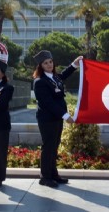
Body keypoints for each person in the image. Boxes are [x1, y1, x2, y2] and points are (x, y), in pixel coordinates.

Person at [32, 50, 83, 188]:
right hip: (47, 119)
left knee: (54, 147)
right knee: (48, 147)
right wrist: (65, 115)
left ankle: (53, 174)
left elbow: (63, 75)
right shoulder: (40, 82)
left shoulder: (54, 77)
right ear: (40, 66)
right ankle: (45, 177)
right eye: (45, 63)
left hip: (56, 118)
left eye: (50, 62)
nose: (49, 65)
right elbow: (47, 103)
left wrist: (74, 64)